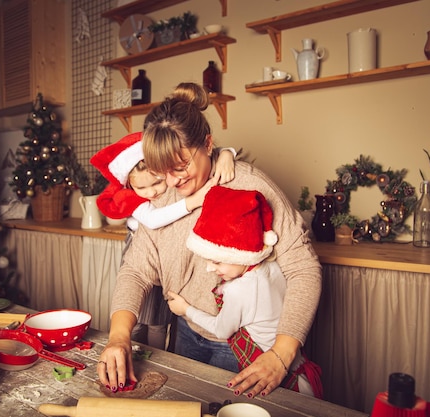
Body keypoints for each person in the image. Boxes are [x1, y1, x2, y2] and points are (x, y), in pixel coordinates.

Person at [97, 82, 321, 399]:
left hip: (247, 342)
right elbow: (135, 270)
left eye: (182, 166)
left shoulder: (249, 184)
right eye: (163, 171)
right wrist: (119, 335)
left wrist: (282, 353)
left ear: (208, 143)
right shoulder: (159, 196)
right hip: (187, 331)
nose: (173, 182)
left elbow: (303, 268)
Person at [166, 186, 322, 398]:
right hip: (299, 370)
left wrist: (186, 309)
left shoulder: (240, 290)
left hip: (278, 380)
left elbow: (221, 330)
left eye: (217, 261)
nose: (210, 268)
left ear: (241, 255)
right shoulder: (272, 267)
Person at [89, 131, 236, 349]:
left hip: (167, 254)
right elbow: (154, 219)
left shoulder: (173, 184)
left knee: (159, 315)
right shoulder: (134, 200)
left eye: (157, 183)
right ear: (130, 186)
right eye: (141, 187)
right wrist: (194, 201)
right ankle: (131, 346)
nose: (151, 193)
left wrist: (226, 154)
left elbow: (210, 155)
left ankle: (156, 354)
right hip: (140, 249)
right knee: (140, 313)